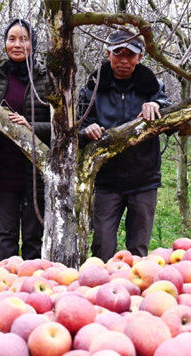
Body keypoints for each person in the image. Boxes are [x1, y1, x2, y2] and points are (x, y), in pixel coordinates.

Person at [78, 29, 172, 262]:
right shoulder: (93, 86)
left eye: (130, 55)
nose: (123, 60)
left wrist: (156, 105)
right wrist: (86, 130)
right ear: (108, 54)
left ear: (139, 58)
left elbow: (170, 114)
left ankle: (136, 295)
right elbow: (78, 124)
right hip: (107, 180)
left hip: (144, 179)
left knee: (138, 250)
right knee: (102, 248)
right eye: (118, 53)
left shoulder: (151, 85)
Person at [0, 19, 52, 260]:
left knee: (33, 240)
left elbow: (62, 128)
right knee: (5, 239)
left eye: (23, 39)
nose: (17, 44)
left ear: (33, 43)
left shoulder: (47, 79)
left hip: (35, 173)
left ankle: (32, 291)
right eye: (11, 39)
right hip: (2, 172)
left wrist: (32, 126)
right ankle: (7, 290)